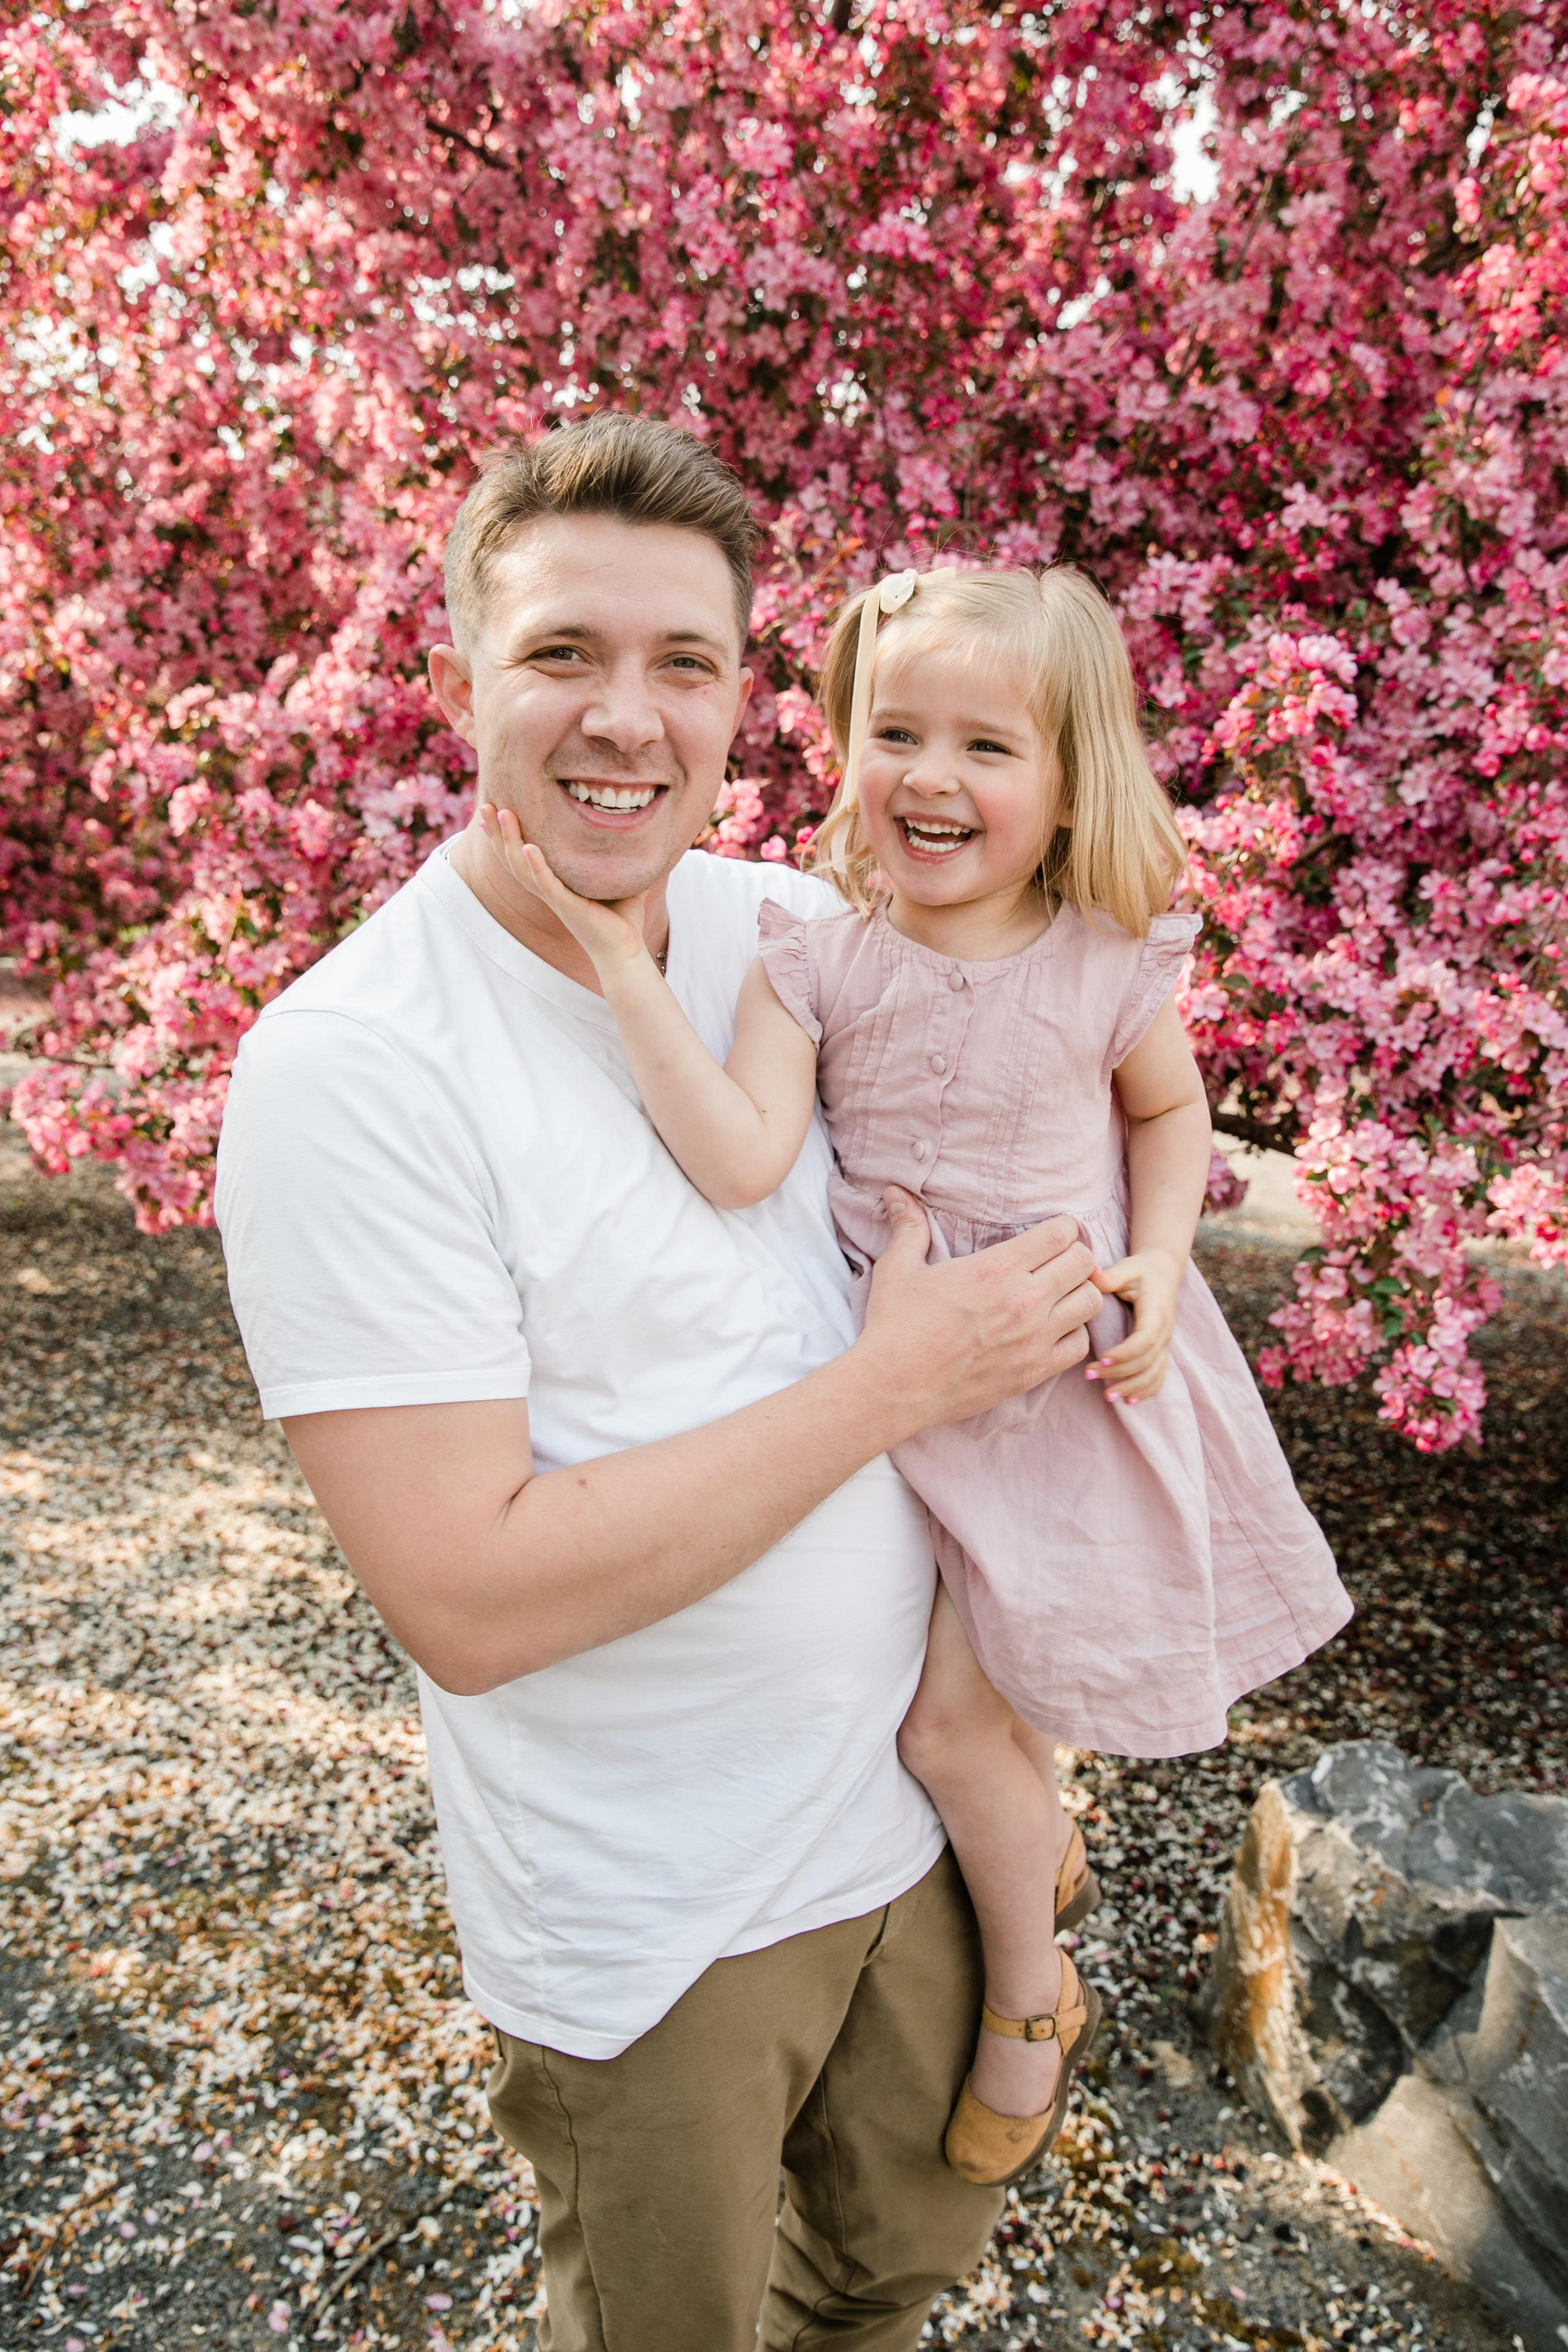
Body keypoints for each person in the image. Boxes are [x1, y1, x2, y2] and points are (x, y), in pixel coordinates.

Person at [213, 417, 1109, 2352]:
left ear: (741, 698)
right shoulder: (355, 1069)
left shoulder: (781, 922)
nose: (628, 718)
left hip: (910, 1815)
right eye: (563, 656)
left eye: (684, 664)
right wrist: (896, 1390)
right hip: (659, 1917)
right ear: (463, 675)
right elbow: (469, 1597)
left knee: (898, 2267)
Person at [484, 560, 1353, 2192]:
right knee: (964, 1707)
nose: (931, 780)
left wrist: (1164, 1260)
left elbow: (1171, 1121)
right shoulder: (821, 962)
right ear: (843, 747)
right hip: (895, 1380)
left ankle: (1032, 1999)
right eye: (896, 732)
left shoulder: (1105, 963)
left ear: (1071, 780)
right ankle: (1041, 1874)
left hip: (1050, 1391)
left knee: (957, 1734)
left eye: (988, 748)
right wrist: (615, 964)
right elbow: (746, 1156)